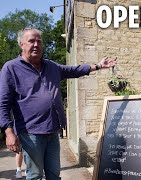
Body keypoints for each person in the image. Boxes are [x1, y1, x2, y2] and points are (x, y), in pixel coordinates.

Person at [0, 27, 116, 180]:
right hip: (30, 133)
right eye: (31, 41)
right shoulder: (11, 68)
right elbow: (3, 103)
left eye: (39, 41)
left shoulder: (51, 66)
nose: (36, 44)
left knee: (54, 175)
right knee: (34, 175)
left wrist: (99, 66)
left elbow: (74, 70)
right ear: (21, 44)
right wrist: (9, 133)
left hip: (53, 131)